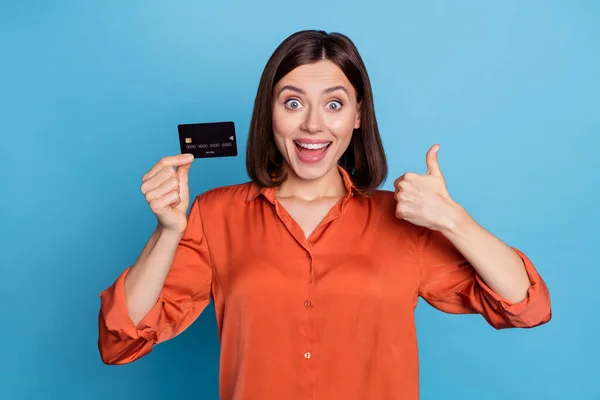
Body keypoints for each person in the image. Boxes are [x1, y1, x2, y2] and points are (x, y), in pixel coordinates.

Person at [97, 30, 551, 400]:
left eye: (334, 104)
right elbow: (121, 341)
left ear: (357, 116)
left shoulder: (405, 219)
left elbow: (526, 305)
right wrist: (167, 230)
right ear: (269, 114)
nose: (313, 124)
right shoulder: (216, 214)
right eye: (292, 102)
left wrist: (454, 220)